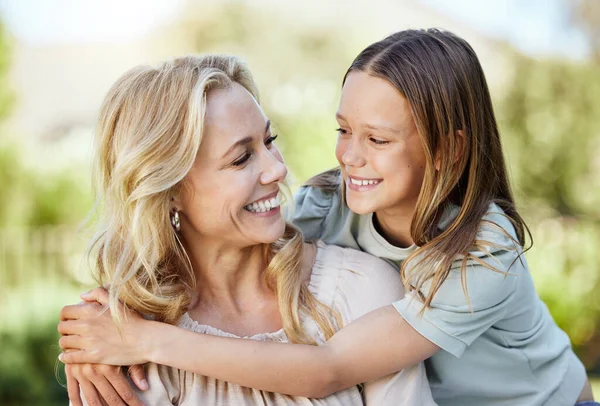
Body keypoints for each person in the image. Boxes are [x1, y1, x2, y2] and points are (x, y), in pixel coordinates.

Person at [59, 29, 597, 406]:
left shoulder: (484, 250)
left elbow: (329, 369)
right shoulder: (329, 205)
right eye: (343, 131)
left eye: (378, 139)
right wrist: (91, 339)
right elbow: (238, 234)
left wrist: (145, 341)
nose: (348, 157)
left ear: (450, 151)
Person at [57, 53, 435, 406]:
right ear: (169, 191)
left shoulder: (358, 291)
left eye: (269, 141)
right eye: (241, 158)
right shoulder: (118, 339)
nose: (277, 169)